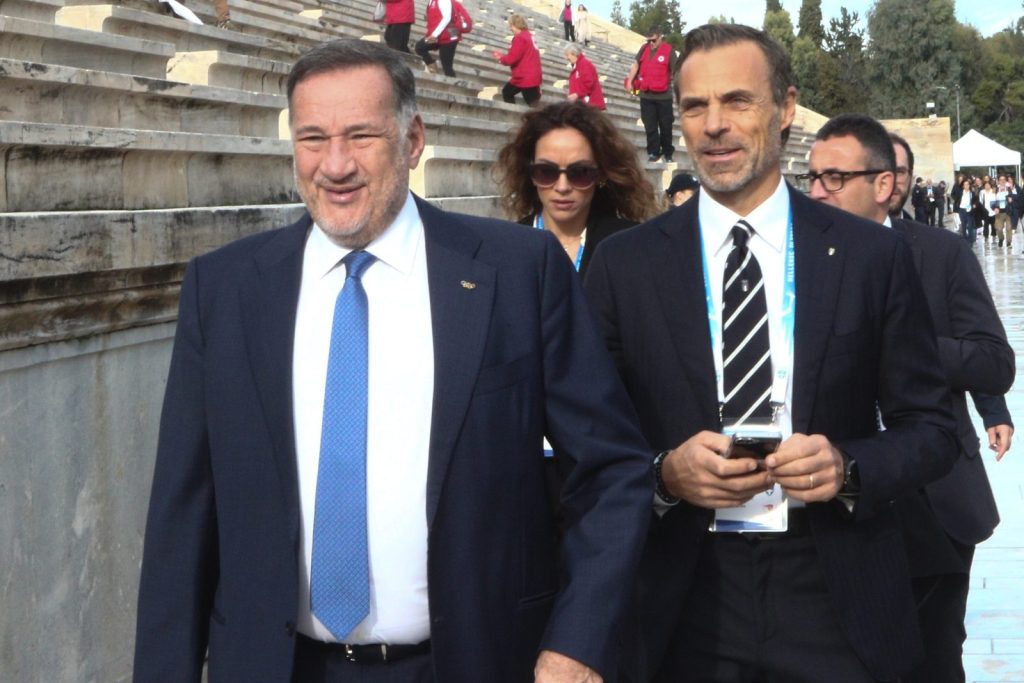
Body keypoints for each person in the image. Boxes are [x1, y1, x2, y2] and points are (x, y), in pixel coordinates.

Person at [133, 38, 653, 683]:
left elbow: (610, 469)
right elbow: (182, 513)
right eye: (313, 138)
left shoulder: (519, 272)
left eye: (361, 136)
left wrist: (578, 643)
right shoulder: (225, 289)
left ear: (412, 140)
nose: (335, 165)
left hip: (473, 663)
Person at [585, 24, 959, 682]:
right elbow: (589, 443)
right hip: (681, 595)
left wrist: (847, 466)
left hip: (833, 587)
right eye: (694, 106)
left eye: (737, 100)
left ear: (785, 108)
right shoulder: (624, 265)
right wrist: (665, 475)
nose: (714, 125)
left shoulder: (871, 256)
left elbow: (931, 428)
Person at [806, 112, 1015, 683]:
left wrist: (903, 344)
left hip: (935, 501)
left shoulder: (942, 254)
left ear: (885, 185)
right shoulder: (797, 259)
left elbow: (994, 361)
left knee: (933, 656)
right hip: (835, 501)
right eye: (813, 178)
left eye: (833, 178)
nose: (817, 191)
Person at [495, 101, 654, 278]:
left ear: (601, 175)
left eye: (580, 172)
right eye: (546, 172)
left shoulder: (630, 245)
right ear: (530, 173)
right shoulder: (504, 248)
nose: (562, 187)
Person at [625, 26, 676, 163]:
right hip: (646, 95)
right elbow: (636, 65)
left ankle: (667, 152)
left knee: (666, 126)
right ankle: (653, 151)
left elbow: (676, 71)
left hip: (663, 96)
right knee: (649, 125)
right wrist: (630, 81)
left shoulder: (669, 51)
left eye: (653, 40)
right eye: (649, 40)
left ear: (660, 37)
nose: (651, 43)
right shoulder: (644, 49)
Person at [493, 14, 543, 106]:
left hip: (525, 77)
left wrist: (501, 58)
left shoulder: (520, 38)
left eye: (511, 26)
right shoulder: (528, 35)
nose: (510, 28)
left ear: (515, 25)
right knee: (507, 92)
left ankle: (513, 112)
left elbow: (512, 58)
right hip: (530, 76)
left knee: (533, 106)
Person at [415, 0, 459, 78]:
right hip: (439, 35)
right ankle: (432, 68)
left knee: (447, 66)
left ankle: (452, 82)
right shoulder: (431, 1)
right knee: (420, 47)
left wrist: (434, 34)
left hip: (449, 36)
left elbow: (447, 17)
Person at [565, 45, 605, 110]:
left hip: (589, 105)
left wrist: (577, 94)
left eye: (567, 55)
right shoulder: (578, 66)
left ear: (574, 54)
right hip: (582, 105)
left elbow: (589, 83)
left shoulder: (584, 64)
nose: (566, 58)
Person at [956, 177, 977, 243]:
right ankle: (964, 238)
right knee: (964, 224)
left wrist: (974, 204)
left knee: (970, 225)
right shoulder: (960, 192)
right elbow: (957, 199)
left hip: (969, 210)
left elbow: (975, 200)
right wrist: (957, 206)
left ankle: (970, 239)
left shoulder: (972, 193)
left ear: (969, 185)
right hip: (962, 210)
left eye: (967, 184)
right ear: (963, 186)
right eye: (965, 184)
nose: (966, 186)